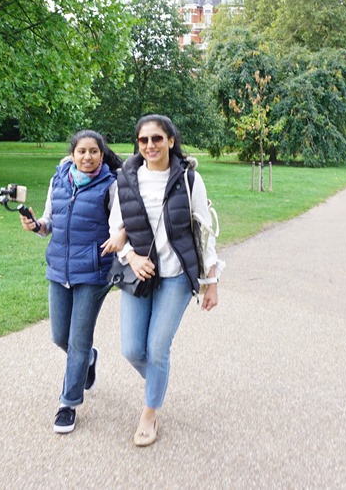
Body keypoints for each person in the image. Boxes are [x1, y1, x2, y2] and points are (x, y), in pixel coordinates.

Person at [108, 114, 222, 447]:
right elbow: (115, 227)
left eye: (157, 138)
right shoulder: (126, 180)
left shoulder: (189, 179)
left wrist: (211, 281)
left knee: (157, 349)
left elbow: (204, 233)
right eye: (143, 140)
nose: (150, 145)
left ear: (171, 140)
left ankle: (150, 412)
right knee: (132, 349)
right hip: (140, 274)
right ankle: (158, 379)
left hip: (175, 276)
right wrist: (131, 257)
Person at [19, 129, 124, 435]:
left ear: (101, 155)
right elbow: (49, 222)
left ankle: (68, 404)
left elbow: (119, 225)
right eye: (82, 151)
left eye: (94, 151)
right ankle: (89, 359)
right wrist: (36, 225)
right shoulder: (59, 180)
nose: (87, 157)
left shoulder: (111, 185)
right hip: (59, 268)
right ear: (73, 154)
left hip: (93, 272)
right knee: (59, 337)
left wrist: (119, 239)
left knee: (78, 340)